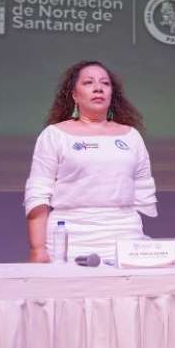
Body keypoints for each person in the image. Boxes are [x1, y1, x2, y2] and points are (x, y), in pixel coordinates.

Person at [24, 60, 157, 262]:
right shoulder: (54, 135)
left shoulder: (132, 136)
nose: (98, 88)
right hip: (68, 237)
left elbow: (142, 189)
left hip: (125, 236)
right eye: (88, 83)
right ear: (75, 95)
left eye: (105, 83)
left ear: (112, 94)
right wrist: (38, 249)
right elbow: (37, 193)